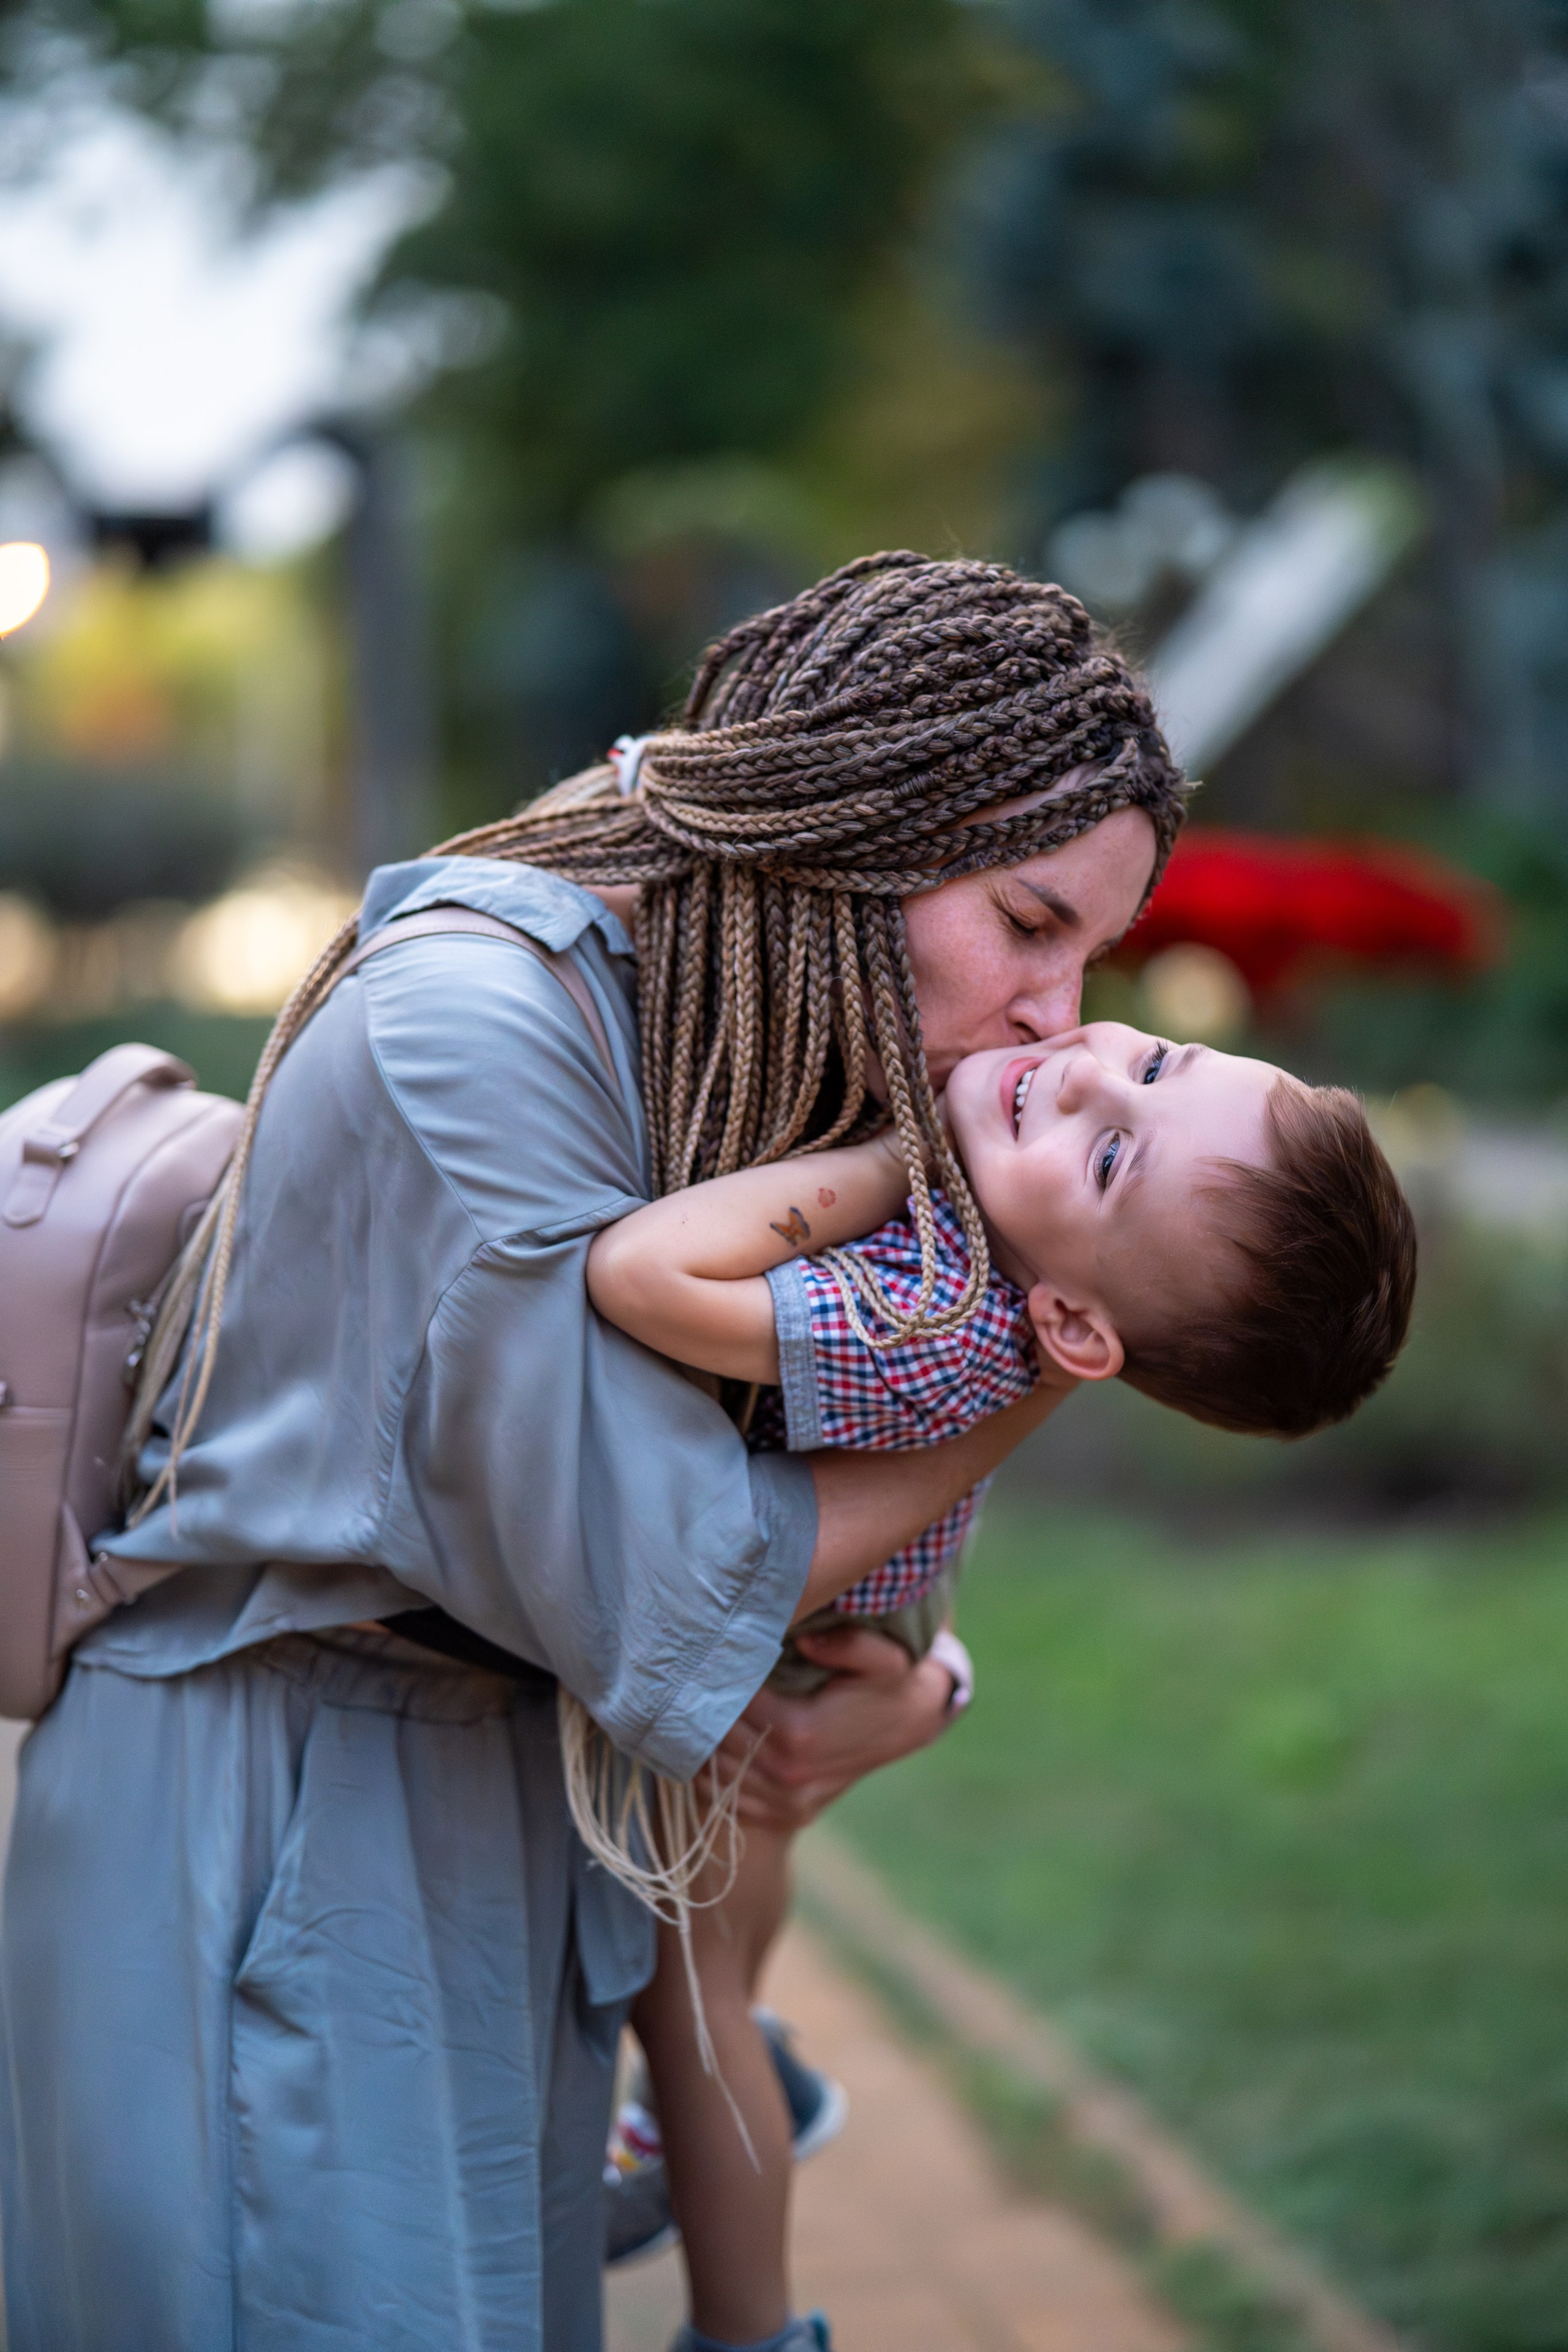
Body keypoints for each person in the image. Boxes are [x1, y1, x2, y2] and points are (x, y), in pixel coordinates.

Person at [0, 554, 1189, 2352]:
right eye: (1031, 925)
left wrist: (918, 1677)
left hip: (468, 1812)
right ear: (845, 820)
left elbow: (769, 1504)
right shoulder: (471, 1032)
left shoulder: (672, 1000)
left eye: (1091, 954)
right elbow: (663, 1582)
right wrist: (1060, 1358)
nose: (1058, 1008)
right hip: (279, 1830)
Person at [586, 1021, 1416, 2350]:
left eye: (1103, 1160)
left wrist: (888, 1155)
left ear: (1076, 1323)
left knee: (687, 2012)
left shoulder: (936, 1317)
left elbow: (638, 1273)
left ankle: (747, 2329)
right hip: (853, 1634)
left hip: (801, 1660)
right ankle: (761, 2073)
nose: (1087, 1070)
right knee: (713, 1972)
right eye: (1155, 1069)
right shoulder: (989, 1280)